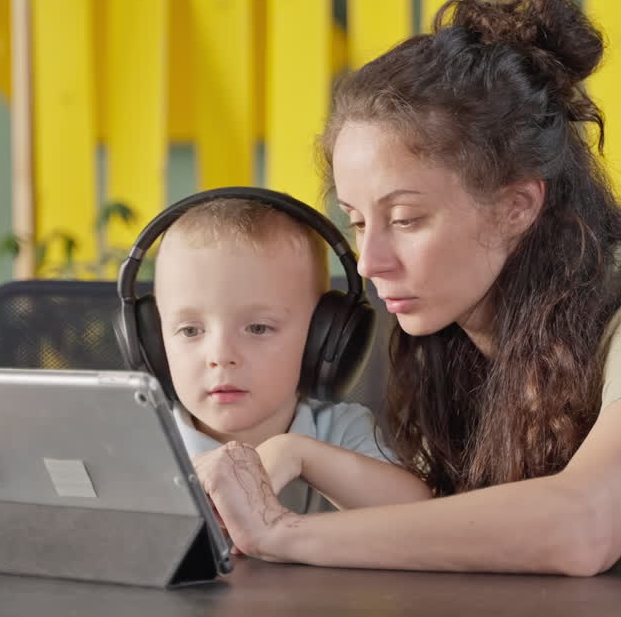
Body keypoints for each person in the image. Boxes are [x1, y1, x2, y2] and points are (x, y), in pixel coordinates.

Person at [190, 0, 621, 576]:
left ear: (517, 206)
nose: (369, 262)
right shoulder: (450, 327)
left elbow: (584, 525)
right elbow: (455, 519)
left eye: (406, 219)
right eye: (360, 221)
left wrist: (287, 532)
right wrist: (296, 453)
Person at [150, 195, 428, 512]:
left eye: (258, 328)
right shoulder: (141, 440)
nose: (221, 356)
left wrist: (298, 454)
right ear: (151, 341)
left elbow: (416, 512)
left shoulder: (339, 430)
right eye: (190, 330)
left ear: (322, 339)